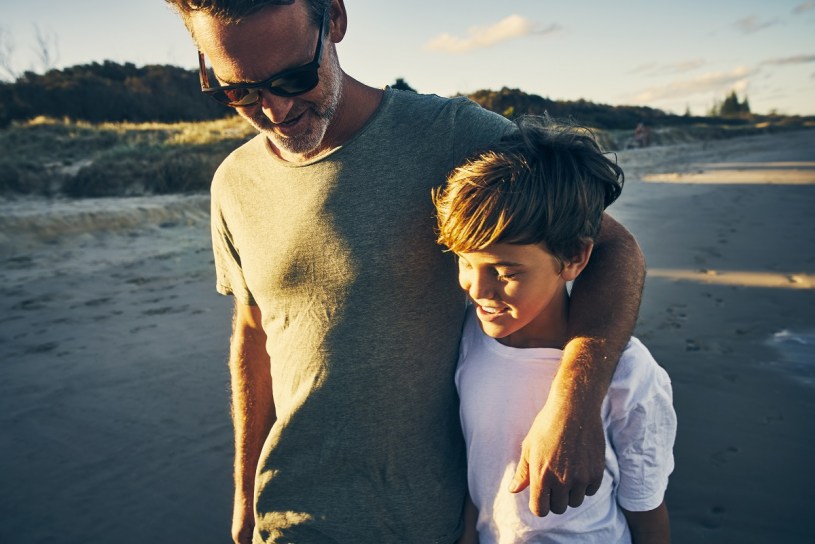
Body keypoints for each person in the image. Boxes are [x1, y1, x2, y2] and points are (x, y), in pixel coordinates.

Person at [165, 1, 646, 542]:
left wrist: (576, 404)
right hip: (289, 517)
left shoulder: (453, 136)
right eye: (240, 91)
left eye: (295, 77)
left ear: (335, 20)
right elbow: (254, 334)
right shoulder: (233, 184)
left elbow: (612, 248)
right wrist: (245, 492)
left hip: (427, 521)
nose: (274, 108)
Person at [433, 116, 676, 544]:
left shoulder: (628, 373)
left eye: (506, 272)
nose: (478, 288)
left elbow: (648, 511)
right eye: (465, 262)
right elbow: (482, 480)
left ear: (575, 258)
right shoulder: (471, 339)